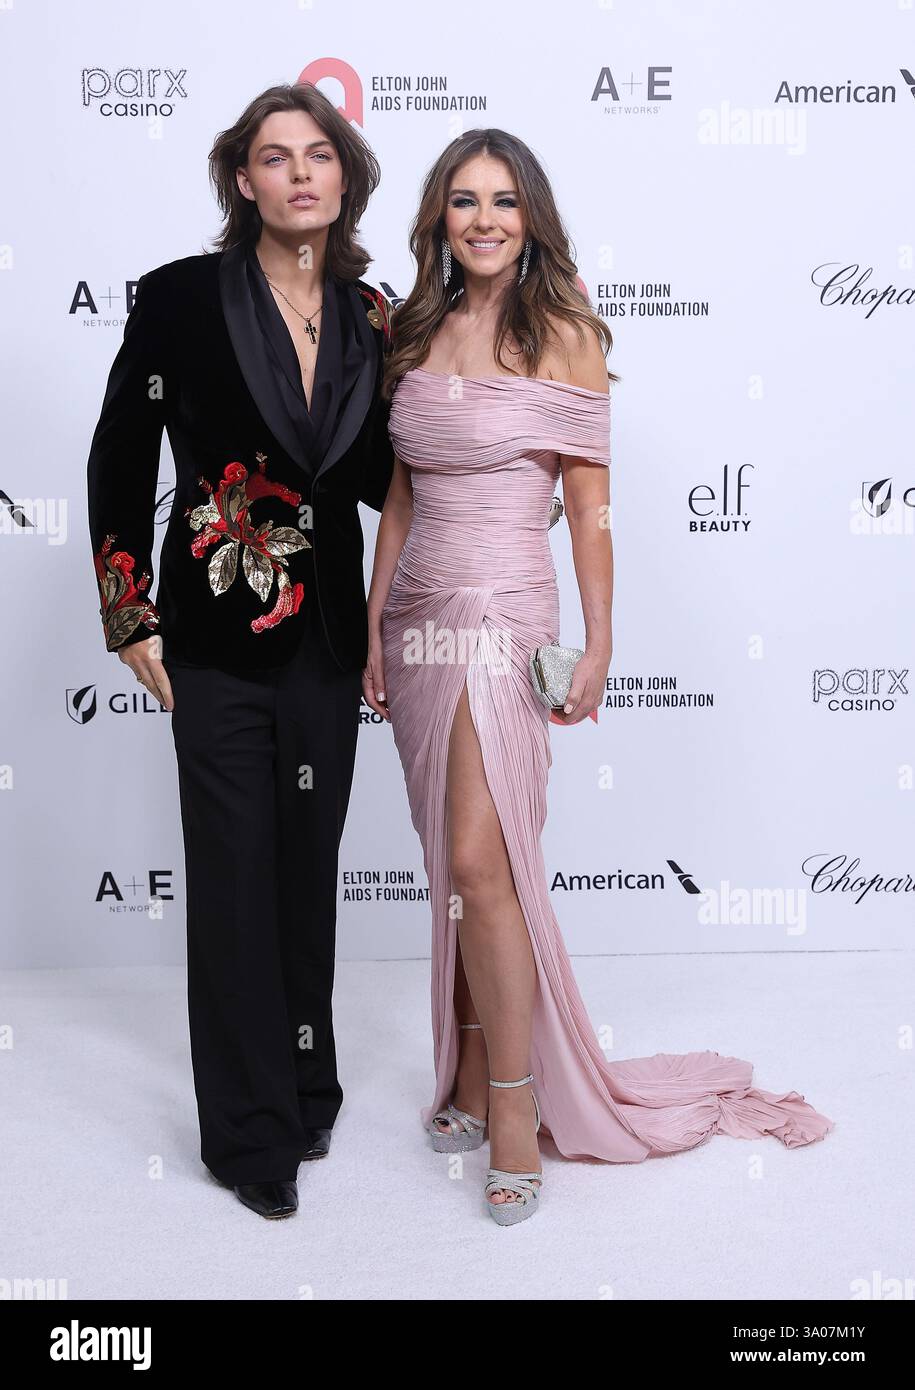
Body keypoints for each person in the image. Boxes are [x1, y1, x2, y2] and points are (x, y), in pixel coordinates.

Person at [362, 129, 833, 1227]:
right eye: (465, 200)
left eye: (506, 202)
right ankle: (472, 1071)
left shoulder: (564, 333)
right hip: (421, 619)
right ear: (437, 217)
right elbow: (401, 499)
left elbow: (588, 507)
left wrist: (603, 641)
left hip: (505, 614)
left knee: (486, 861)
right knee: (452, 863)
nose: (484, 219)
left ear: (532, 221)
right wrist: (377, 628)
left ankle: (518, 1108)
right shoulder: (414, 331)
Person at [86, 82, 394, 1220]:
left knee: (305, 868)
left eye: (320, 154)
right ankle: (250, 1133)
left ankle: (304, 1079)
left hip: (326, 640)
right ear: (242, 179)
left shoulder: (374, 310)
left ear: (345, 176)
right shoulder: (177, 301)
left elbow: (377, 477)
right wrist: (129, 611)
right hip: (211, 635)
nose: (301, 173)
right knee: (231, 878)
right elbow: (120, 454)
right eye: (276, 156)